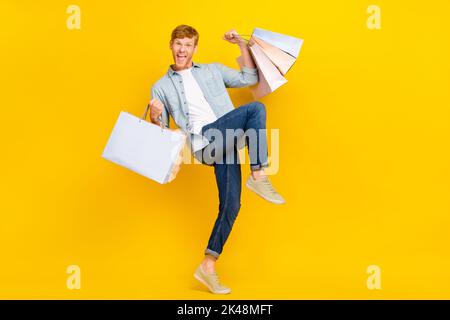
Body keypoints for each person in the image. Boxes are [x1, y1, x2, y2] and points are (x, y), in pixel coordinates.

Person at [149, 25, 285, 294]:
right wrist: (155, 115)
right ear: (171, 45)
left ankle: (208, 266)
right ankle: (258, 174)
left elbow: (249, 78)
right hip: (203, 142)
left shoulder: (212, 70)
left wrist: (241, 45)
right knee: (256, 109)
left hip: (227, 140)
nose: (182, 50)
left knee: (231, 205)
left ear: (195, 48)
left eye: (188, 45)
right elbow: (161, 134)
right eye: (178, 44)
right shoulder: (161, 86)